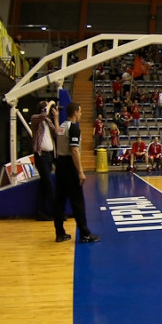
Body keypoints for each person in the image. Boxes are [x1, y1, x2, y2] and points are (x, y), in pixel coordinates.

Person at [53, 103, 100, 243]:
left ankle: (60, 233)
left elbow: (56, 131)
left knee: (59, 200)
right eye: (80, 111)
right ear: (74, 112)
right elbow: (74, 150)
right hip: (69, 165)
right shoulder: (73, 128)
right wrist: (80, 171)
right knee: (77, 201)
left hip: (60, 165)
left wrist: (55, 118)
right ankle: (84, 234)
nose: (81, 114)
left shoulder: (62, 126)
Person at [31, 100, 59, 221]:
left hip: (49, 156)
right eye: (46, 107)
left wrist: (56, 118)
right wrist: (50, 103)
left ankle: (40, 212)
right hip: (40, 156)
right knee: (48, 184)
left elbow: (57, 132)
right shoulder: (35, 119)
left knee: (44, 185)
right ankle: (57, 213)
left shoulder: (48, 121)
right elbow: (42, 115)